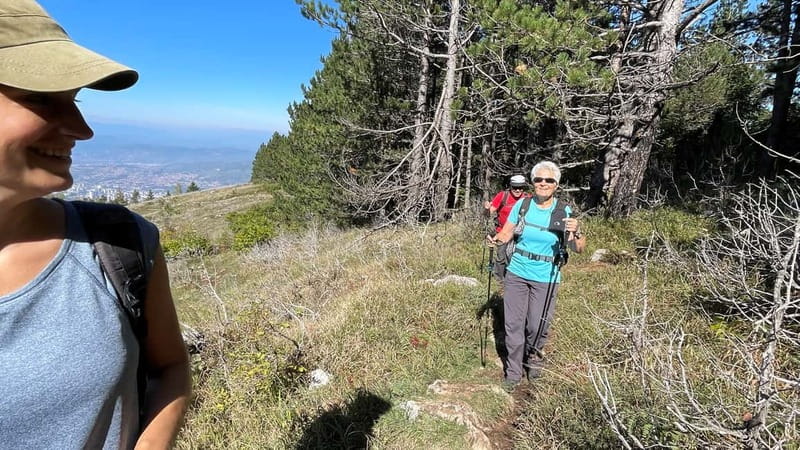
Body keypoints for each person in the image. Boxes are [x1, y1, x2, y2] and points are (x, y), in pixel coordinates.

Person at [0, 1, 191, 448]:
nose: (82, 129)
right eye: (42, 99)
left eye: (76, 100)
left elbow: (170, 367)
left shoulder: (119, 243)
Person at [487, 161, 586, 391]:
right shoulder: (523, 205)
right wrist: (495, 240)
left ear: (556, 185)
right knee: (513, 324)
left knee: (537, 326)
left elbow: (578, 248)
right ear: (533, 182)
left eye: (549, 180)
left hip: (546, 276)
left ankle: (533, 360)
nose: (543, 183)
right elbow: (507, 232)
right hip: (517, 272)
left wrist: (577, 231)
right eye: (539, 179)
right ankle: (513, 372)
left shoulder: (563, 212)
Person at [484, 175, 530, 281]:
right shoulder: (502, 196)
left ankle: (516, 279)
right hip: (502, 232)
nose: (518, 190)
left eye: (520, 187)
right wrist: (486, 209)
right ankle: (499, 280)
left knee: (518, 258)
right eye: (515, 187)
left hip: (521, 234)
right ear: (510, 186)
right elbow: (489, 213)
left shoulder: (528, 198)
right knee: (501, 258)